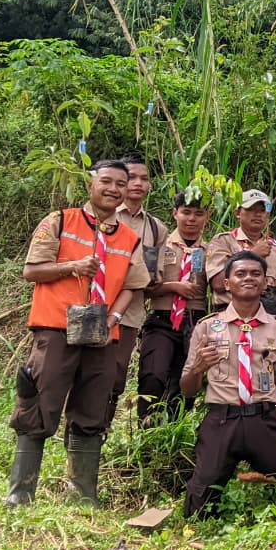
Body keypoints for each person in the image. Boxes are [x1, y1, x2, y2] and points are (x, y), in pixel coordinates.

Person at [5, 159, 150, 507]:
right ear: (91, 184)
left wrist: (114, 320)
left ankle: (83, 495)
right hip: (56, 326)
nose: (113, 189)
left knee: (92, 409)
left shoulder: (129, 238)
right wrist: (72, 267)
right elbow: (31, 271)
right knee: (40, 403)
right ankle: (20, 493)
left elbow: (133, 285)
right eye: (106, 182)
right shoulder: (60, 221)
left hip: (101, 332)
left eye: (120, 183)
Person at [179, 252, 276, 518]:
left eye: (255, 274)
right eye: (240, 274)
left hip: (262, 420)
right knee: (198, 505)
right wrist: (198, 368)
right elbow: (187, 389)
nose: (248, 278)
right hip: (221, 421)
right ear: (226, 283)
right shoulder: (207, 328)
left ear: (265, 283)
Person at [138, 192, 211, 424]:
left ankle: (173, 429)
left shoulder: (210, 251)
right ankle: (146, 426)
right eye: (186, 212)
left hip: (194, 320)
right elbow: (142, 287)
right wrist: (173, 287)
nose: (192, 219)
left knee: (185, 375)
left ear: (207, 217)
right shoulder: (159, 246)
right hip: (161, 317)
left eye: (199, 214)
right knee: (153, 373)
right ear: (175, 213)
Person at [109, 153, 168, 427]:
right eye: (131, 177)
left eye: (144, 179)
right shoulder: (104, 216)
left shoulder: (156, 228)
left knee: (116, 374)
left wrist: (153, 279)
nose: (138, 184)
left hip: (130, 314)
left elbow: (155, 276)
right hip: (96, 307)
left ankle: (100, 431)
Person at [207, 189, 276, 316]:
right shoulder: (223, 242)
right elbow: (218, 284)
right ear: (237, 213)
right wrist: (253, 255)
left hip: (266, 319)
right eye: (251, 209)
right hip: (228, 317)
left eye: (262, 210)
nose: (258, 214)